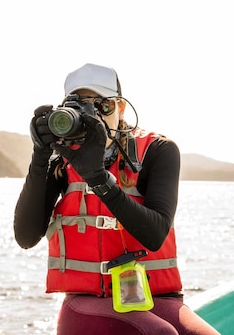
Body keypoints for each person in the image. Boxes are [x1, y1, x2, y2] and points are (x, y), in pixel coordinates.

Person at [14, 63, 220, 335]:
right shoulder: (62, 159)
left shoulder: (158, 151)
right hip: (88, 302)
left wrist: (99, 178)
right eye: (81, 106)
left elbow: (155, 233)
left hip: (156, 298)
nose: (93, 114)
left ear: (121, 108)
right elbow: (25, 237)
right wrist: (40, 159)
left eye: (103, 106)